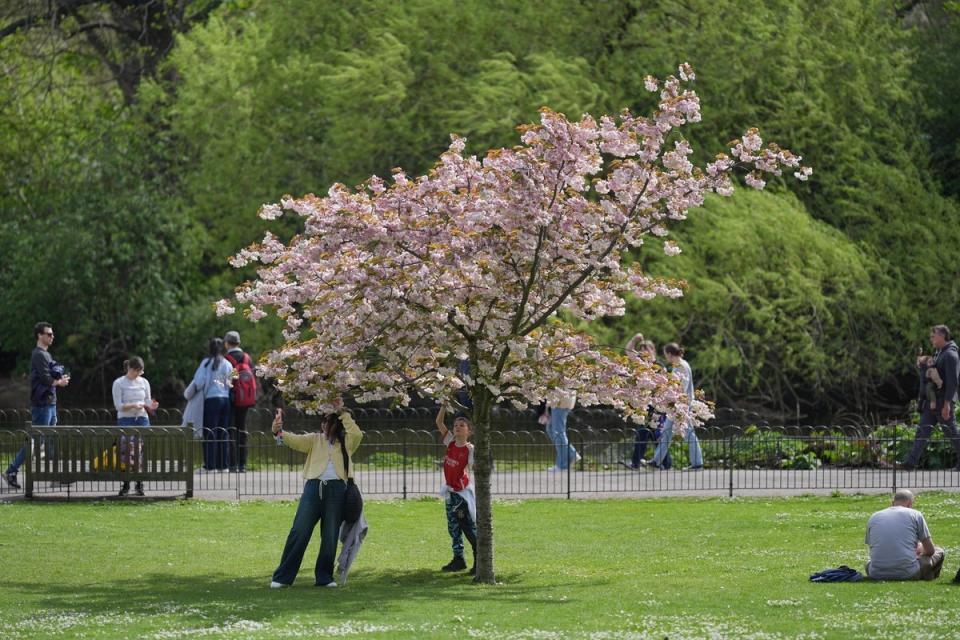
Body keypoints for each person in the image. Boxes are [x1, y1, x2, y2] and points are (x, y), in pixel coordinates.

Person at [269, 398, 363, 588]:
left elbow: (357, 433)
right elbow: (289, 440)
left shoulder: (347, 443)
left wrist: (341, 412)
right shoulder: (314, 439)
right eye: (323, 422)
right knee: (299, 531)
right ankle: (282, 577)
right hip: (313, 488)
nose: (324, 426)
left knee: (329, 535)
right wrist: (277, 429)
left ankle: (324, 577)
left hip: (337, 490)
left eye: (328, 422)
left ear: (335, 425)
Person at [4, 322, 70, 490]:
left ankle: (55, 476)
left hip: (50, 403)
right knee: (36, 439)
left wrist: (60, 376)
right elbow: (45, 379)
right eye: (49, 334)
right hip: (42, 404)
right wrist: (60, 382)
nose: (52, 337)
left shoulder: (46, 355)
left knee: (50, 439)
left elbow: (50, 376)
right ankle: (11, 471)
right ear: (40, 336)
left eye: (52, 334)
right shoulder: (39, 355)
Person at [902, 325, 960, 470]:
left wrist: (947, 404)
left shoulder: (950, 355)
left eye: (933, 336)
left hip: (942, 402)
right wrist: (923, 366)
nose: (931, 339)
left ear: (941, 336)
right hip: (932, 402)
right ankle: (910, 463)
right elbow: (932, 374)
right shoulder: (939, 353)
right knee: (922, 431)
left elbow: (953, 382)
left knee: (951, 433)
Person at [644, 343, 703, 471]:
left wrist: (671, 396)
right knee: (667, 431)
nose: (665, 357)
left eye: (666, 355)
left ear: (670, 354)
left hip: (681, 405)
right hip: (677, 404)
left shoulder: (681, 366)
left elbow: (682, 387)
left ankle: (697, 463)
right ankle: (656, 460)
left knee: (688, 433)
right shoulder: (680, 365)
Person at [864, 489, 944, 580]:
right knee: (939, 551)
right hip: (907, 573)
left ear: (892, 503)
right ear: (910, 504)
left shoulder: (874, 516)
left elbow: (873, 546)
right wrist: (919, 551)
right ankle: (929, 576)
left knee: (868, 562)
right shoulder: (915, 514)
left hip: (876, 573)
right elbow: (930, 551)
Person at [435, 405, 477, 574]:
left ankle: (478, 559)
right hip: (450, 492)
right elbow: (439, 421)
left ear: (469, 431)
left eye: (462, 425)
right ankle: (458, 559)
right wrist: (444, 405)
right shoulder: (451, 443)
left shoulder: (469, 449)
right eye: (455, 425)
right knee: (453, 528)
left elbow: (475, 468)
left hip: (461, 494)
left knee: (467, 526)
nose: (457, 427)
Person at [112, 356, 159, 497]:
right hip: (126, 419)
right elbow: (118, 406)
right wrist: (133, 405)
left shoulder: (144, 382)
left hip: (142, 419)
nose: (138, 375)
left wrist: (152, 406)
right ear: (130, 369)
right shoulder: (119, 383)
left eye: (140, 372)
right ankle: (126, 484)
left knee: (140, 451)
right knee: (125, 451)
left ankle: (139, 484)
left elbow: (147, 402)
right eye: (136, 371)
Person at [622, 338, 672, 470]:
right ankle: (637, 463)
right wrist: (634, 339)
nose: (644, 353)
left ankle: (665, 463)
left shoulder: (659, 366)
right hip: (644, 405)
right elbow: (628, 351)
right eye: (642, 350)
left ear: (653, 350)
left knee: (657, 435)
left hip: (657, 406)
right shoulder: (641, 366)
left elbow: (666, 387)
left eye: (647, 350)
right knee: (642, 434)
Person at [191, 338, 234, 472]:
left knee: (210, 432)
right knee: (223, 432)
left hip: (211, 400)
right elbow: (231, 382)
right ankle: (223, 465)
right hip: (225, 399)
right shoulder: (227, 364)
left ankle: (210, 466)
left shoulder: (206, 363)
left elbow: (198, 382)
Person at [223, 330, 256, 472]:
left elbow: (227, 379)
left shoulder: (227, 359)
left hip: (232, 399)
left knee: (231, 430)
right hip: (246, 400)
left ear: (226, 343)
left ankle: (232, 464)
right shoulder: (247, 358)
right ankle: (243, 464)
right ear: (239, 342)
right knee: (242, 430)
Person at [545, 391, 580, 472]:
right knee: (550, 429)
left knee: (558, 432)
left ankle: (562, 464)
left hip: (561, 402)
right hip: (558, 401)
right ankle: (571, 453)